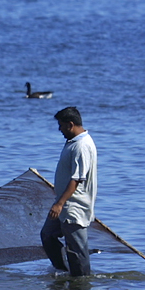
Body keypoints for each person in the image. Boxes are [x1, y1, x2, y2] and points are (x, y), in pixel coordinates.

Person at [41, 106, 97, 278]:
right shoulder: (73, 142)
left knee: (77, 250)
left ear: (70, 124)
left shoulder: (81, 146)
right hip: (64, 204)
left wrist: (59, 204)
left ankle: (81, 283)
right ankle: (63, 271)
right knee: (48, 235)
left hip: (74, 206)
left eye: (61, 125)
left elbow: (77, 179)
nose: (59, 129)